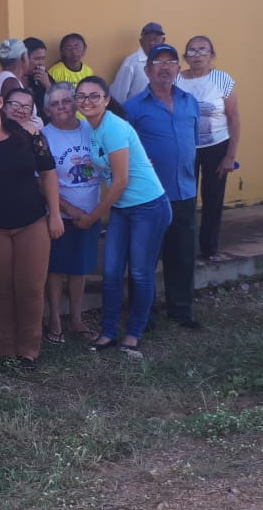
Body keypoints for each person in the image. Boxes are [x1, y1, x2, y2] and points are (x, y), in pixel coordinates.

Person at [0, 83, 63, 369]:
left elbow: (48, 173)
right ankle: (7, 349)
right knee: (1, 289)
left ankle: (29, 349)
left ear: (0, 102)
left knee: (31, 288)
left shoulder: (28, 134)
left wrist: (55, 214)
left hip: (32, 222)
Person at [73, 76, 172, 355]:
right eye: (81, 96)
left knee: (140, 273)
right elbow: (103, 169)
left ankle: (134, 332)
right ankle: (108, 332)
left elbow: (120, 181)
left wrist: (92, 217)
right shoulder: (93, 128)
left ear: (106, 100)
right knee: (111, 272)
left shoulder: (113, 127)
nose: (87, 101)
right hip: (123, 208)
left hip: (148, 207)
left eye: (94, 96)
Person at [125, 45, 202, 329]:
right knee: (144, 258)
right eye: (158, 62)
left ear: (178, 69)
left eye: (170, 62)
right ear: (147, 71)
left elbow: (193, 142)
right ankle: (143, 315)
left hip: (184, 191)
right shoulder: (133, 107)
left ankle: (181, 310)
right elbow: (126, 152)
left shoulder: (190, 102)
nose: (165, 67)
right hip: (150, 196)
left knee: (182, 254)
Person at [41, 82, 101, 342]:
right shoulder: (44, 136)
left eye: (66, 101)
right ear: (47, 110)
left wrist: (92, 213)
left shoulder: (92, 129)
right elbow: (41, 181)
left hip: (91, 214)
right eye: (55, 104)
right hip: (60, 215)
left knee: (80, 268)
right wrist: (70, 209)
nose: (62, 107)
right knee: (56, 268)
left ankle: (76, 318)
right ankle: (55, 318)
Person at [176, 36, 241, 262]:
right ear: (185, 57)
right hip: (185, 148)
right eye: (192, 51)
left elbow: (233, 118)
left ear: (212, 55)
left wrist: (230, 156)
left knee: (213, 198)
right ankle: (182, 248)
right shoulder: (176, 79)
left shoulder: (222, 79)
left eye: (202, 50)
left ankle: (209, 249)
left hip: (217, 146)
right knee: (184, 198)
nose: (197, 55)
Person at [110, 22, 166, 104]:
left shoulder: (167, 63)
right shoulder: (131, 64)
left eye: (155, 39)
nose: (152, 43)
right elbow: (118, 95)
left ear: (163, 41)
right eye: (148, 39)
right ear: (141, 42)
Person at [23, 36, 52, 115]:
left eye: (43, 58)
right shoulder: (15, 78)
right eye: (37, 59)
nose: (41, 63)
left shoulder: (44, 75)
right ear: (24, 58)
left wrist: (47, 85)